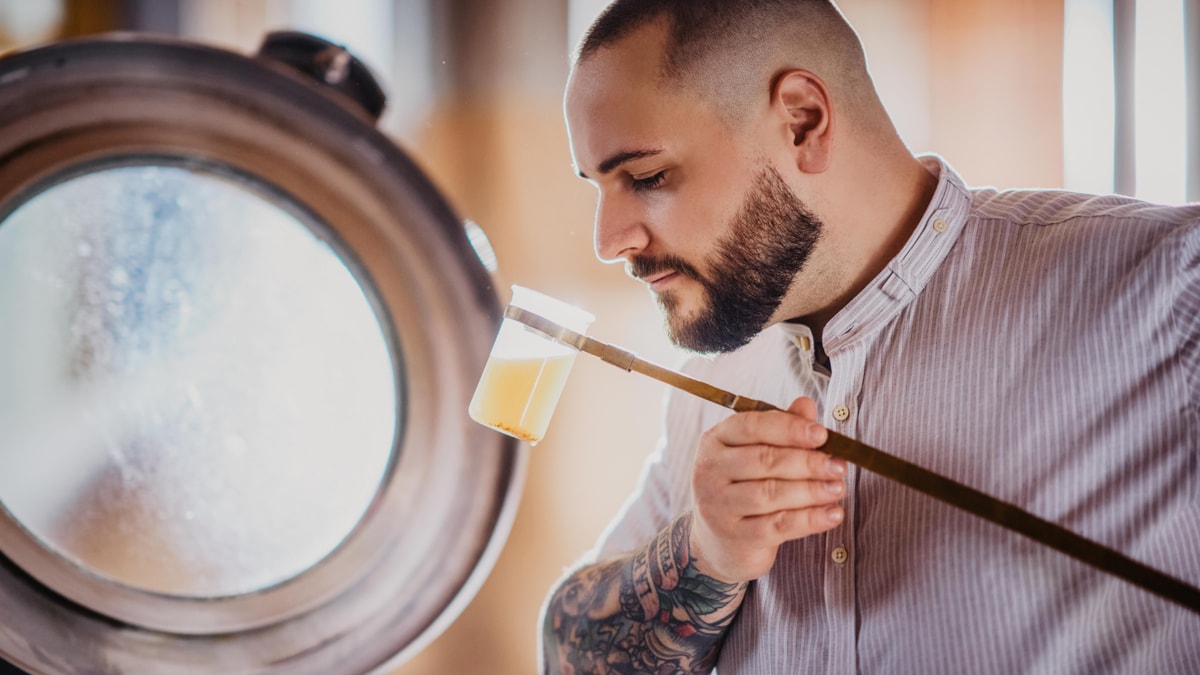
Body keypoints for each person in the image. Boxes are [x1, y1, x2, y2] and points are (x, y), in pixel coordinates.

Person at [539, 0, 1200, 673]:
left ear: (803, 121)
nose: (607, 241)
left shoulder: (1168, 285)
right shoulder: (716, 385)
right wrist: (702, 552)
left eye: (646, 177)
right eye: (599, 186)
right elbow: (565, 656)